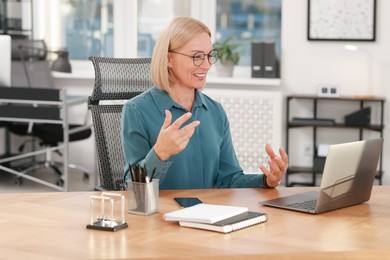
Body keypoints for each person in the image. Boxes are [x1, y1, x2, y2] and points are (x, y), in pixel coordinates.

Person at [121, 16, 288, 190]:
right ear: (169, 59)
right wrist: (159, 153)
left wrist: (266, 181)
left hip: (208, 214)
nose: (207, 65)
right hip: (161, 215)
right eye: (197, 56)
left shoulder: (215, 111)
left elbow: (228, 179)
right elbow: (131, 189)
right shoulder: (136, 110)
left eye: (209, 55)